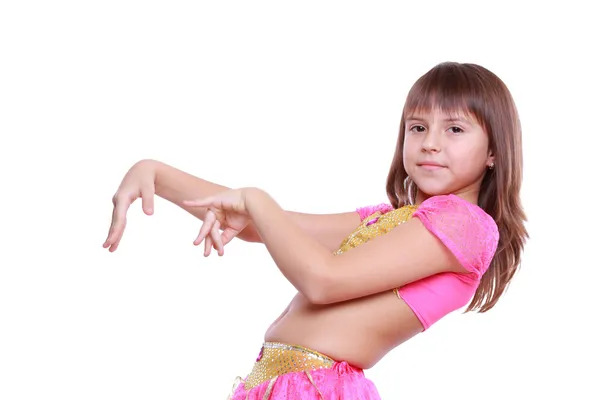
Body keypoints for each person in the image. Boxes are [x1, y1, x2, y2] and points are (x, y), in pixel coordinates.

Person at [103, 61, 528, 399]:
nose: (430, 142)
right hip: (278, 385)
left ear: (493, 151)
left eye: (454, 129)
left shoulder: (467, 224)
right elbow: (267, 227)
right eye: (418, 127)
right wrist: (156, 174)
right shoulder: (390, 217)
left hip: (322, 389)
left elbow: (324, 280)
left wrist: (256, 199)